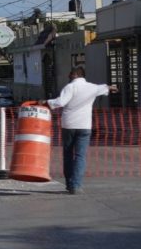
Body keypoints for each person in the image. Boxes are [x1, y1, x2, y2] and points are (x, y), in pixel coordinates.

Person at [39, 66, 118, 195]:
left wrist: (45, 102)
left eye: (70, 74)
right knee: (80, 156)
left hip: (69, 126)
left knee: (68, 154)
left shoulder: (70, 87)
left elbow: (61, 102)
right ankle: (76, 185)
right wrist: (112, 87)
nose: (68, 76)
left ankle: (70, 184)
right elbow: (104, 87)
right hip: (85, 126)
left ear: (75, 74)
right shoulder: (92, 87)